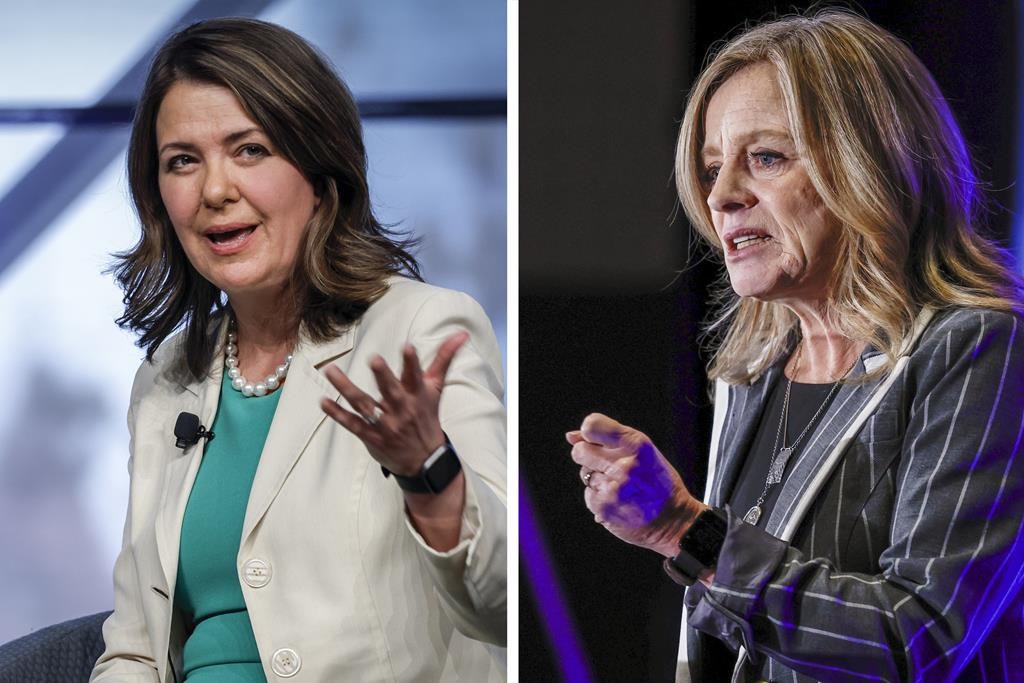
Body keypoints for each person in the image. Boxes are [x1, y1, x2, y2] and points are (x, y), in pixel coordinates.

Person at [568, 9, 1024, 682]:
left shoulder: (978, 347)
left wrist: (685, 531)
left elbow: (920, 639)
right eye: (713, 166)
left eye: (767, 158)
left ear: (870, 163)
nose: (721, 196)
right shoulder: (751, 372)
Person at [90, 17, 506, 682]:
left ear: (318, 167)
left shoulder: (419, 329)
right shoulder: (166, 377)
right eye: (182, 161)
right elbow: (136, 648)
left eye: (249, 149)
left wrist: (431, 475)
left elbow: (506, 606)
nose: (216, 190)